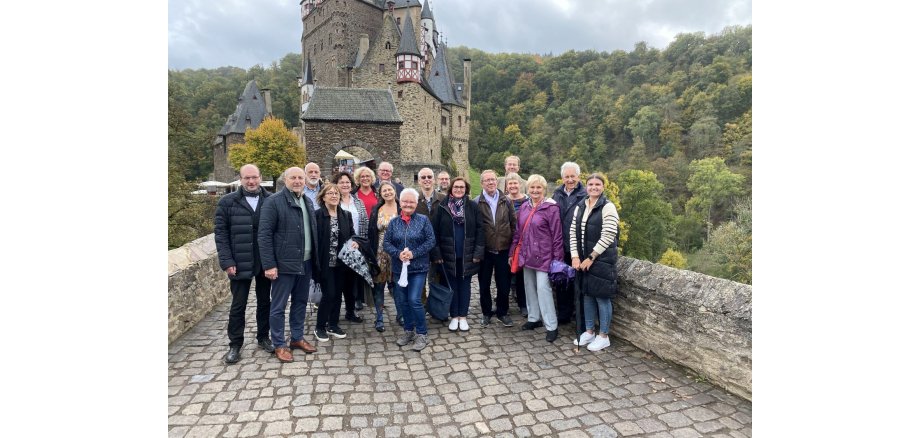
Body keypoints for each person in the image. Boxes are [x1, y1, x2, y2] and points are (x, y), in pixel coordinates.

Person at [258, 167, 320, 363]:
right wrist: (269, 264)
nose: (297, 181)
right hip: (284, 264)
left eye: (300, 177)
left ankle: (297, 337)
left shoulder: (307, 201)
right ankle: (279, 344)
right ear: (285, 180)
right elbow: (264, 235)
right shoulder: (273, 202)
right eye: (293, 177)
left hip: (305, 262)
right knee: (278, 306)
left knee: (300, 302)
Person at [214, 164, 274, 364]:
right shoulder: (227, 202)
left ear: (260, 177)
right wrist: (227, 261)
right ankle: (235, 344)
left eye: (254, 177)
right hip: (238, 261)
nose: (251, 181)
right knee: (238, 305)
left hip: (264, 261)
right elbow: (221, 234)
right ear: (240, 179)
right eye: (247, 178)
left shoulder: (271, 200)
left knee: (265, 302)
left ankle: (263, 337)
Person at [509, 174, 564, 342]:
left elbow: (557, 236)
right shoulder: (524, 207)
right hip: (527, 254)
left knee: (543, 289)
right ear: (528, 189)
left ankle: (551, 325)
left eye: (538, 187)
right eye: (532, 187)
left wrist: (558, 260)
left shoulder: (551, 208)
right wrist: (512, 252)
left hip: (545, 256)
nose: (535, 190)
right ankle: (534, 318)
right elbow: (518, 233)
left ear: (544, 189)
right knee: (529, 287)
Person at [570, 173, 620, 352]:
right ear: (586, 187)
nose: (593, 187)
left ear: (603, 187)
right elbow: (573, 232)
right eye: (590, 184)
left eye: (597, 184)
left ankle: (604, 336)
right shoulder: (580, 206)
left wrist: (591, 257)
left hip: (602, 260)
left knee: (602, 297)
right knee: (587, 295)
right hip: (583, 260)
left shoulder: (608, 207)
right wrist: (575, 256)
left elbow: (609, 235)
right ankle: (590, 331)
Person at [383, 188, 437, 351]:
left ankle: (421, 333)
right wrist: (398, 253)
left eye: (411, 202)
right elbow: (386, 243)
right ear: (400, 202)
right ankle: (408, 330)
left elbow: (430, 241)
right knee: (403, 301)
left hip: (418, 268)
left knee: (414, 299)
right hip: (399, 269)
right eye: (405, 201)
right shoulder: (394, 222)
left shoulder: (423, 220)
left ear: (416, 203)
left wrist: (413, 253)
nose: (408, 204)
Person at [431, 177, 484, 333]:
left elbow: (480, 230)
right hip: (448, 254)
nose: (459, 189)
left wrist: (478, 253)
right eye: (456, 187)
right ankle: (454, 316)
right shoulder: (442, 206)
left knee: (465, 285)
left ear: (466, 189)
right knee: (452, 285)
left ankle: (463, 316)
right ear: (451, 189)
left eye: (462, 187)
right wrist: (437, 253)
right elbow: (435, 231)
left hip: (467, 253)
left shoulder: (472, 206)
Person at [312, 183, 360, 342]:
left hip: (342, 263)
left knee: (338, 294)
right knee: (329, 294)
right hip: (325, 262)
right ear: (323, 197)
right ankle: (320, 326)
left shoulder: (345, 215)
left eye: (336, 193)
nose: (334, 196)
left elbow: (352, 234)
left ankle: (333, 324)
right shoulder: (317, 215)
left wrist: (354, 242)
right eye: (330, 193)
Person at [473, 170, 516, 328]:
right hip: (485, 251)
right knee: (484, 284)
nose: (491, 182)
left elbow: (513, 224)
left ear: (497, 181)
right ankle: (486, 312)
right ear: (482, 183)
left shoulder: (506, 201)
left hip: (503, 249)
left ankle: (502, 312)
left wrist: (513, 248)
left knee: (503, 284)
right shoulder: (476, 202)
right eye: (487, 180)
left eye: (493, 179)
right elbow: (474, 228)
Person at [551, 162, 586, 327]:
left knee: (579, 284)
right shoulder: (556, 194)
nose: (570, 180)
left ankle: (579, 318)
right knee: (562, 282)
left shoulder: (585, 195)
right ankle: (563, 315)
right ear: (562, 178)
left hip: (578, 248)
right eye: (567, 177)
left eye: (573, 176)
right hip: (560, 246)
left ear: (578, 176)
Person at [335, 171, 369, 316]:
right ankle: (334, 310)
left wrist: (361, 242)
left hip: (356, 243)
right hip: (337, 245)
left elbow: (365, 222)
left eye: (347, 182)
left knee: (354, 276)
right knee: (339, 279)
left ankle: (353, 305)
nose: (345, 184)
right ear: (336, 184)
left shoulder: (358, 201)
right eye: (341, 182)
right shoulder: (333, 200)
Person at [368, 181, 399, 332]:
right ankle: (379, 318)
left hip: (398, 253)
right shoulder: (377, 209)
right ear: (380, 194)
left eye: (389, 189)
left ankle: (401, 314)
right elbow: (371, 232)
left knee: (398, 286)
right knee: (379, 286)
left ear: (394, 191)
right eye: (384, 191)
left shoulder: (401, 207)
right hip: (380, 253)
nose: (387, 192)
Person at [505, 172, 529, 317]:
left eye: (515, 183)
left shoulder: (528, 201)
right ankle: (503, 305)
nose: (513, 186)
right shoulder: (503, 200)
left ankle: (523, 304)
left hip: (522, 243)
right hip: (506, 242)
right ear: (506, 186)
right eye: (510, 183)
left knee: (521, 275)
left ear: (520, 184)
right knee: (504, 275)